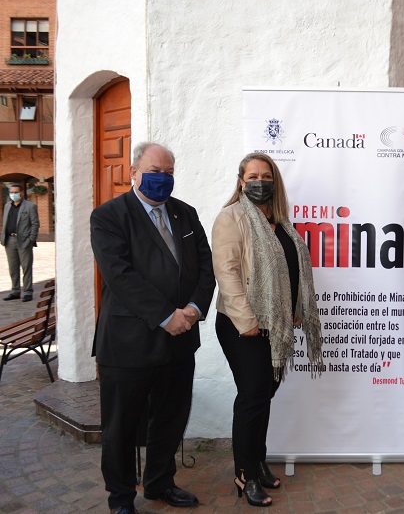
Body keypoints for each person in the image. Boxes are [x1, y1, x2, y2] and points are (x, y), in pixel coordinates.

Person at [90, 142, 215, 514]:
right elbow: (120, 276)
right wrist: (165, 315)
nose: (163, 178)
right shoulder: (109, 216)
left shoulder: (185, 214)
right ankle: (121, 498)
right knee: (121, 427)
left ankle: (160, 483)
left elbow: (205, 267)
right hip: (128, 344)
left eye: (169, 172)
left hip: (180, 341)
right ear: (134, 172)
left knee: (170, 419)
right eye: (154, 171)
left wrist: (193, 309)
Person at [212, 152, 323, 508]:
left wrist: (294, 310)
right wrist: (248, 321)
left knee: (263, 397)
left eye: (266, 176)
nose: (260, 182)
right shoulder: (232, 217)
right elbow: (227, 273)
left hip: (275, 325)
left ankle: (258, 462)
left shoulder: (281, 222)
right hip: (242, 326)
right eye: (253, 177)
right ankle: (244, 474)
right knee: (252, 398)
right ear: (241, 181)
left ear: (274, 182)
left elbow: (291, 273)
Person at [2, 183, 39, 302]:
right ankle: (15, 291)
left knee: (26, 267)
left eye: (15, 192)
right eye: (11, 192)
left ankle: (28, 291)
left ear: (21, 193)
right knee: (13, 268)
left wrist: (31, 239)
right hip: (9, 240)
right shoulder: (7, 206)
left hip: (24, 241)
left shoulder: (30, 206)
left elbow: (35, 224)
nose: (13, 194)